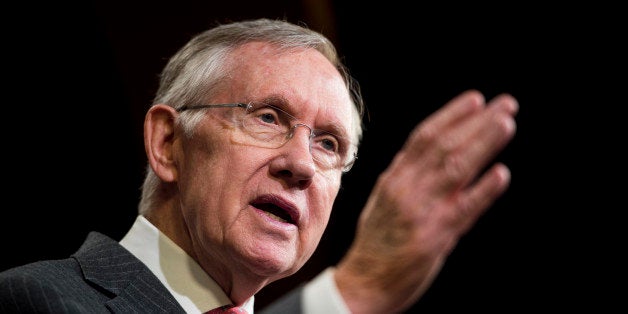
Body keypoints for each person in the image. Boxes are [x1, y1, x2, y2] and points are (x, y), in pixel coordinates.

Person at [0, 18, 518, 313]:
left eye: (330, 145)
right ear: (167, 144)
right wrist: (351, 292)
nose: (301, 165)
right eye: (267, 118)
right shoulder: (36, 299)